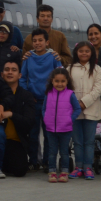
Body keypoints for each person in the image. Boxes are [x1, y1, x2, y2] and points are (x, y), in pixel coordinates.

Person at [22, 28, 63, 168]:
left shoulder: (54, 57)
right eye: (34, 41)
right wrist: (28, 95)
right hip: (33, 102)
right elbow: (23, 79)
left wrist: (52, 96)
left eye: (40, 40)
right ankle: (33, 161)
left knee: (48, 134)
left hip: (49, 102)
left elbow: (60, 77)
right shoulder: (28, 58)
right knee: (33, 134)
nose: (37, 43)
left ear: (47, 42)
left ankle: (47, 162)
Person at [67, 42, 101, 180]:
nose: (84, 53)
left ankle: (88, 167)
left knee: (89, 141)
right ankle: (78, 167)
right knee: (77, 141)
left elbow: (98, 88)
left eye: (87, 51)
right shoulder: (69, 69)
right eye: (81, 51)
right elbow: (66, 88)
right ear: (76, 52)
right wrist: (75, 104)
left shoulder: (97, 69)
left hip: (91, 110)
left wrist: (83, 102)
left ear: (91, 53)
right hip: (74, 111)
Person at [0, 58, 39, 177]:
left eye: (14, 70)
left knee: (20, 170)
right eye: (7, 70)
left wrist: (11, 114)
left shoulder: (26, 96)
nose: (10, 72)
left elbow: (30, 122)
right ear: (1, 74)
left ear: (20, 75)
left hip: (16, 141)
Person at [41, 69, 80, 182]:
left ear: (67, 81)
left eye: (63, 81)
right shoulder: (48, 94)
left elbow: (77, 109)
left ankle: (64, 171)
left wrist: (70, 119)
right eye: (57, 81)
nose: (59, 84)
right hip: (50, 129)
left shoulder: (70, 94)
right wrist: (46, 118)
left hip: (66, 129)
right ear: (52, 81)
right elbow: (44, 109)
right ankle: (52, 171)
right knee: (52, 152)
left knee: (64, 152)